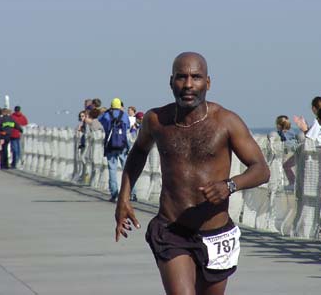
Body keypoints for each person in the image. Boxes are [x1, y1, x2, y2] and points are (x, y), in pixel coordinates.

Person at [114, 52, 270, 295]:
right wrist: (123, 197)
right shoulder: (156, 120)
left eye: (196, 77)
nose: (188, 85)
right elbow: (138, 153)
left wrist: (228, 186)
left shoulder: (226, 122)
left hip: (216, 234)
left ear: (207, 83)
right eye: (181, 77)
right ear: (171, 81)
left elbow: (261, 169)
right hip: (172, 229)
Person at [98, 97, 131, 202]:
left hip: (111, 145)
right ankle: (130, 193)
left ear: (111, 105)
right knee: (127, 169)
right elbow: (128, 126)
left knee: (112, 169)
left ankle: (114, 194)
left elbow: (100, 119)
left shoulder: (107, 115)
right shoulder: (124, 115)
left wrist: (108, 111)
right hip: (122, 144)